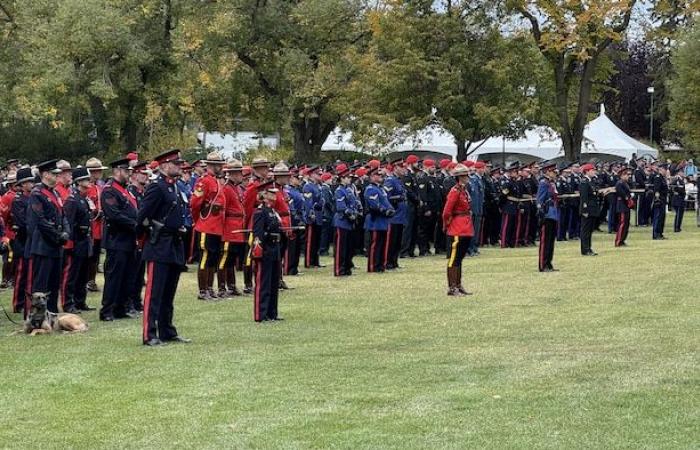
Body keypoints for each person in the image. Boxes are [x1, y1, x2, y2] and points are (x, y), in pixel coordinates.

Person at [138, 149, 191, 346]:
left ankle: (167, 330)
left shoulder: (174, 187)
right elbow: (142, 217)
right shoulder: (157, 187)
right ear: (164, 166)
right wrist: (147, 236)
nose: (179, 167)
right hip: (159, 244)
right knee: (155, 292)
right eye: (175, 164)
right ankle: (149, 334)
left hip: (174, 243)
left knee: (169, 292)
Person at [26, 160, 69, 315]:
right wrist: (58, 235)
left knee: (53, 283)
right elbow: (40, 220)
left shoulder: (55, 192)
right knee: (41, 284)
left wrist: (66, 232)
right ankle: (37, 316)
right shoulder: (37, 194)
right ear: (44, 174)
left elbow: (62, 215)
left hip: (55, 245)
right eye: (53, 173)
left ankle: (52, 313)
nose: (56, 176)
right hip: (43, 245)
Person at [100, 158, 139, 321]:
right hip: (117, 239)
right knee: (114, 276)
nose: (129, 174)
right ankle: (107, 309)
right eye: (126, 171)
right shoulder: (109, 190)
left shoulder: (126, 190)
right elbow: (114, 214)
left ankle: (121, 307)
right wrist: (135, 224)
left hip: (129, 240)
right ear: (117, 171)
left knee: (128, 276)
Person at [190, 151, 227, 300]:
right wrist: (198, 220)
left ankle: (210, 288)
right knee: (205, 257)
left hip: (216, 226)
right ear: (213, 165)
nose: (222, 168)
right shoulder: (204, 181)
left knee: (213, 258)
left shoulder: (216, 181)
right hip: (206, 224)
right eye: (219, 165)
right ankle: (203, 290)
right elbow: (195, 203)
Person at [62, 167, 95, 314]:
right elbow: (68, 222)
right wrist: (69, 244)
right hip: (75, 240)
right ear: (79, 182)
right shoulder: (72, 199)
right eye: (87, 179)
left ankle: (80, 301)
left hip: (84, 240)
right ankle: (68, 303)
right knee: (72, 275)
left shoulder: (83, 198)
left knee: (83, 273)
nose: (89, 181)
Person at [251, 180, 284, 322]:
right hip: (265, 249)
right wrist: (258, 251)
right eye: (271, 193)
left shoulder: (272, 211)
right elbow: (257, 233)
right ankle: (261, 314)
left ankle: (272, 313)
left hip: (275, 248)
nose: (275, 195)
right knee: (263, 283)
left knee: (273, 283)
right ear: (264, 195)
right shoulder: (260, 211)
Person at [442, 164, 474, 296]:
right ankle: (452, 287)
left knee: (459, 258)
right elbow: (446, 212)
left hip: (465, 227)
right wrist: (446, 225)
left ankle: (458, 285)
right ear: (459, 177)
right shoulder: (454, 191)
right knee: (453, 259)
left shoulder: (464, 190)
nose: (467, 178)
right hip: (456, 227)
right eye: (465, 175)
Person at [219, 160, 246, 297]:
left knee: (232, 259)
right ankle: (222, 287)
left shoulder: (235, 188)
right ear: (233, 174)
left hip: (237, 226)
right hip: (229, 228)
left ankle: (232, 285)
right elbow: (223, 211)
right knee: (225, 258)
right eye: (239, 173)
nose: (242, 175)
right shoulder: (226, 189)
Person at [10, 168, 34, 314]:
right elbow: (22, 221)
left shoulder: (33, 197)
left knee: (30, 273)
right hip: (22, 241)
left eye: (31, 181)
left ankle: (26, 300)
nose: (31, 184)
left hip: (32, 241)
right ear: (22, 184)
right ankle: (17, 302)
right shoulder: (18, 200)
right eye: (28, 182)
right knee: (21, 273)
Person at [363, 165, 394, 272]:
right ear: (371, 177)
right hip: (375, 220)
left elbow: (386, 202)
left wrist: (391, 209)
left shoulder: (380, 188)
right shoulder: (371, 189)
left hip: (383, 221)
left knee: (382, 244)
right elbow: (374, 205)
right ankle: (373, 266)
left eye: (380, 174)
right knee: (375, 245)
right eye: (377, 174)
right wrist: (385, 210)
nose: (380, 176)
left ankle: (380, 265)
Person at [332, 164, 359, 276]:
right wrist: (349, 213)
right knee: (340, 248)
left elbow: (355, 203)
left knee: (349, 247)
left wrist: (356, 212)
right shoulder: (339, 191)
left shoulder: (349, 190)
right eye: (347, 177)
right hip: (342, 221)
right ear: (342, 178)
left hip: (350, 222)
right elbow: (341, 206)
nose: (350, 179)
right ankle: (339, 269)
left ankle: (347, 268)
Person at [85, 157, 107, 292]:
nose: (99, 173)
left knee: (96, 255)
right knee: (89, 255)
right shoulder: (86, 187)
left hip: (99, 226)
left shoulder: (100, 186)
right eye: (96, 171)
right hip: (90, 225)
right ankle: (87, 280)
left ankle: (92, 280)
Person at [383, 161, 407, 270]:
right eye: (402, 167)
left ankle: (394, 262)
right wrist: (398, 198)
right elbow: (386, 197)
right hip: (393, 216)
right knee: (391, 242)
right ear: (396, 168)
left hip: (401, 216)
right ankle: (388, 262)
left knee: (397, 241)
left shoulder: (399, 180)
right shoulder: (390, 181)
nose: (404, 169)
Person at [537, 162, 560, 272]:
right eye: (553, 172)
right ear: (547, 172)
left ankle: (549, 263)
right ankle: (543, 264)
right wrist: (541, 213)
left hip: (553, 213)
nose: (555, 173)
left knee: (551, 241)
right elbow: (540, 200)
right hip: (546, 214)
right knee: (545, 241)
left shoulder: (551, 183)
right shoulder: (543, 183)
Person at [302, 166, 324, 268]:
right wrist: (311, 214)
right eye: (318, 174)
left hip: (319, 216)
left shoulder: (318, 186)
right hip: (313, 217)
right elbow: (308, 203)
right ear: (312, 175)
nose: (320, 176)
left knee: (317, 240)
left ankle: (315, 261)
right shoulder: (308, 187)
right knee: (310, 241)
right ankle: (308, 261)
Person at [579, 163, 601, 256]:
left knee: (589, 230)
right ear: (587, 171)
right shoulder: (584, 182)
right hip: (587, 209)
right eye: (592, 170)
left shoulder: (591, 181)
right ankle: (585, 249)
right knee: (585, 230)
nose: (594, 172)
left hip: (593, 208)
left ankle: (588, 247)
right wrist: (584, 210)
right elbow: (584, 198)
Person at [467, 161, 485, 256]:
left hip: (477, 208)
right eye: (471, 168)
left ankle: (474, 247)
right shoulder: (468, 181)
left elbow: (479, 196)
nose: (472, 169)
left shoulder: (476, 180)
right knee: (470, 230)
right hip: (471, 209)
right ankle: (469, 248)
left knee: (476, 230)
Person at [615, 168, 634, 247]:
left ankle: (623, 240)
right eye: (626, 175)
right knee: (622, 224)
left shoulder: (625, 183)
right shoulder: (619, 183)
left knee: (626, 224)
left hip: (626, 205)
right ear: (622, 175)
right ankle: (618, 241)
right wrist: (628, 197)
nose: (628, 176)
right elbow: (623, 194)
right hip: (622, 205)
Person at [651, 164, 669, 240]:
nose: (666, 171)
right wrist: (657, 199)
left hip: (663, 200)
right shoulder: (658, 178)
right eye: (665, 170)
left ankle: (660, 233)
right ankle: (656, 234)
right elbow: (656, 190)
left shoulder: (662, 178)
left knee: (662, 218)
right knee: (657, 218)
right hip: (659, 200)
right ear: (661, 169)